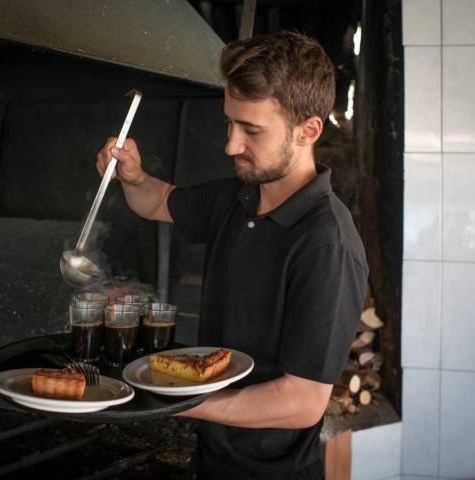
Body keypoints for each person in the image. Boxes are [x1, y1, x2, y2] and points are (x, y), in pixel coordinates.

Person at [96, 31, 368, 480]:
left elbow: (302, 402)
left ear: (309, 130)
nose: (230, 145)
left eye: (251, 130)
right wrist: (132, 175)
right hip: (212, 458)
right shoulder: (240, 195)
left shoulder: (326, 244)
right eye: (229, 122)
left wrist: (178, 403)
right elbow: (157, 201)